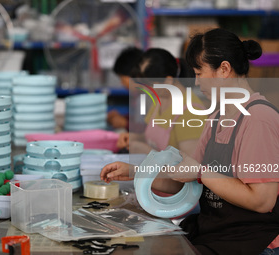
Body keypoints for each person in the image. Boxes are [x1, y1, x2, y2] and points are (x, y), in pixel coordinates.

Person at [100, 28, 279, 255]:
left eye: (199, 72)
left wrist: (202, 173)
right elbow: (185, 178)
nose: (196, 81)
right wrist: (138, 172)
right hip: (217, 233)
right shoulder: (218, 116)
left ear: (224, 69)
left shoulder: (259, 119)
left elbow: (262, 201)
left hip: (252, 242)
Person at [117, 48, 206, 155]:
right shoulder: (160, 99)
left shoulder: (192, 112)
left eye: (149, 85)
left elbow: (190, 166)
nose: (145, 90)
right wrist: (135, 137)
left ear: (168, 80)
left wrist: (149, 152)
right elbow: (152, 138)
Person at [107, 47, 143, 130]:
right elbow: (139, 120)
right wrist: (122, 118)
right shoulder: (139, 97)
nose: (122, 83)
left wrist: (125, 123)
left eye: (122, 78)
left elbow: (150, 130)